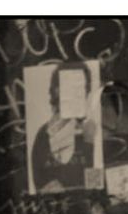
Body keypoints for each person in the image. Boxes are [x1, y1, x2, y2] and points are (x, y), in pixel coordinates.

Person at [30, 61, 98, 194]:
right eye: (70, 87)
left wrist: (89, 143)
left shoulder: (90, 130)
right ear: (56, 91)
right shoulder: (43, 135)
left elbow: (94, 186)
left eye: (81, 88)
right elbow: (39, 186)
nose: (77, 94)